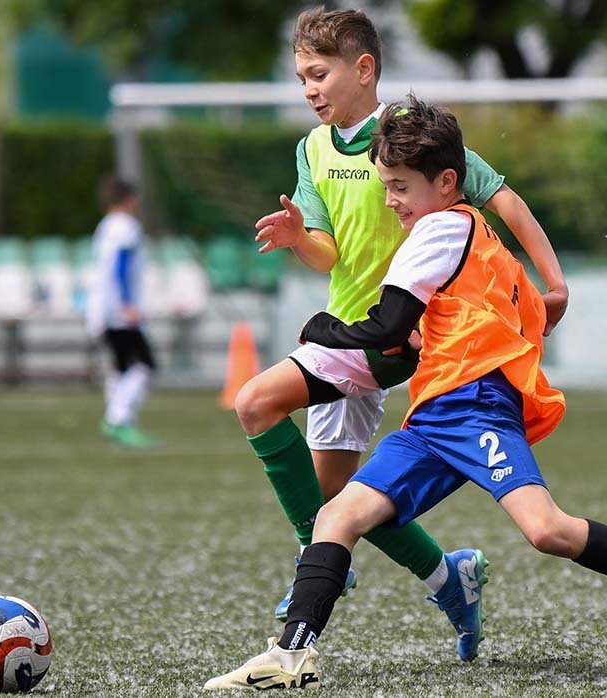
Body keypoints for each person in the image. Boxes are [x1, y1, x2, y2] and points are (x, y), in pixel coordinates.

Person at [205, 98, 607, 691]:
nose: (390, 200)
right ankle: (292, 654)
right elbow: (481, 318)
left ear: (447, 182)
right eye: (387, 186)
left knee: (547, 531)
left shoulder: (438, 230)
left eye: (400, 187)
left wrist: (324, 328)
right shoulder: (474, 233)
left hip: (477, 410)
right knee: (337, 515)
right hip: (432, 419)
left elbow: (385, 327)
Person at [236, 6, 568, 660]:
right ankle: (449, 577)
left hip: (389, 337)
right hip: (349, 330)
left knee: (256, 402)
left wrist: (554, 283)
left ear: (364, 69)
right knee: (342, 500)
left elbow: (503, 198)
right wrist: (299, 237)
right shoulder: (311, 149)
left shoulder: (409, 135)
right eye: (301, 78)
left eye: (318, 74)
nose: (308, 90)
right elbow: (327, 253)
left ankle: (314, 554)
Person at [85, 176, 161, 448]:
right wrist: (127, 302)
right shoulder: (127, 226)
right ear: (129, 199)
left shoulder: (105, 226)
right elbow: (121, 264)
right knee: (144, 365)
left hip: (101, 307)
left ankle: (117, 421)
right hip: (119, 310)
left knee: (121, 366)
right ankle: (118, 419)